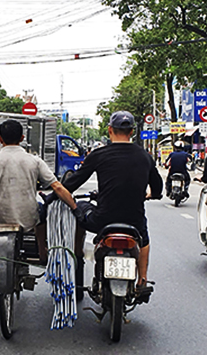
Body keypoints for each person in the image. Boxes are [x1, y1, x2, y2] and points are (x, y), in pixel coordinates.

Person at [62, 111, 163, 297]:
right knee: (144, 238)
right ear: (132, 132)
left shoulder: (98, 155)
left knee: (79, 208)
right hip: (134, 222)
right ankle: (142, 280)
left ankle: (78, 256)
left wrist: (56, 193)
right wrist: (152, 195)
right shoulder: (145, 156)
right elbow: (157, 188)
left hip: (102, 220)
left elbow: (73, 182)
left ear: (110, 130)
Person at [0, 120, 77, 265]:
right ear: (22, 138)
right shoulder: (35, 161)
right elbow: (58, 187)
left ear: (0, 139)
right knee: (42, 212)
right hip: (29, 218)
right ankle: (42, 250)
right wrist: (75, 208)